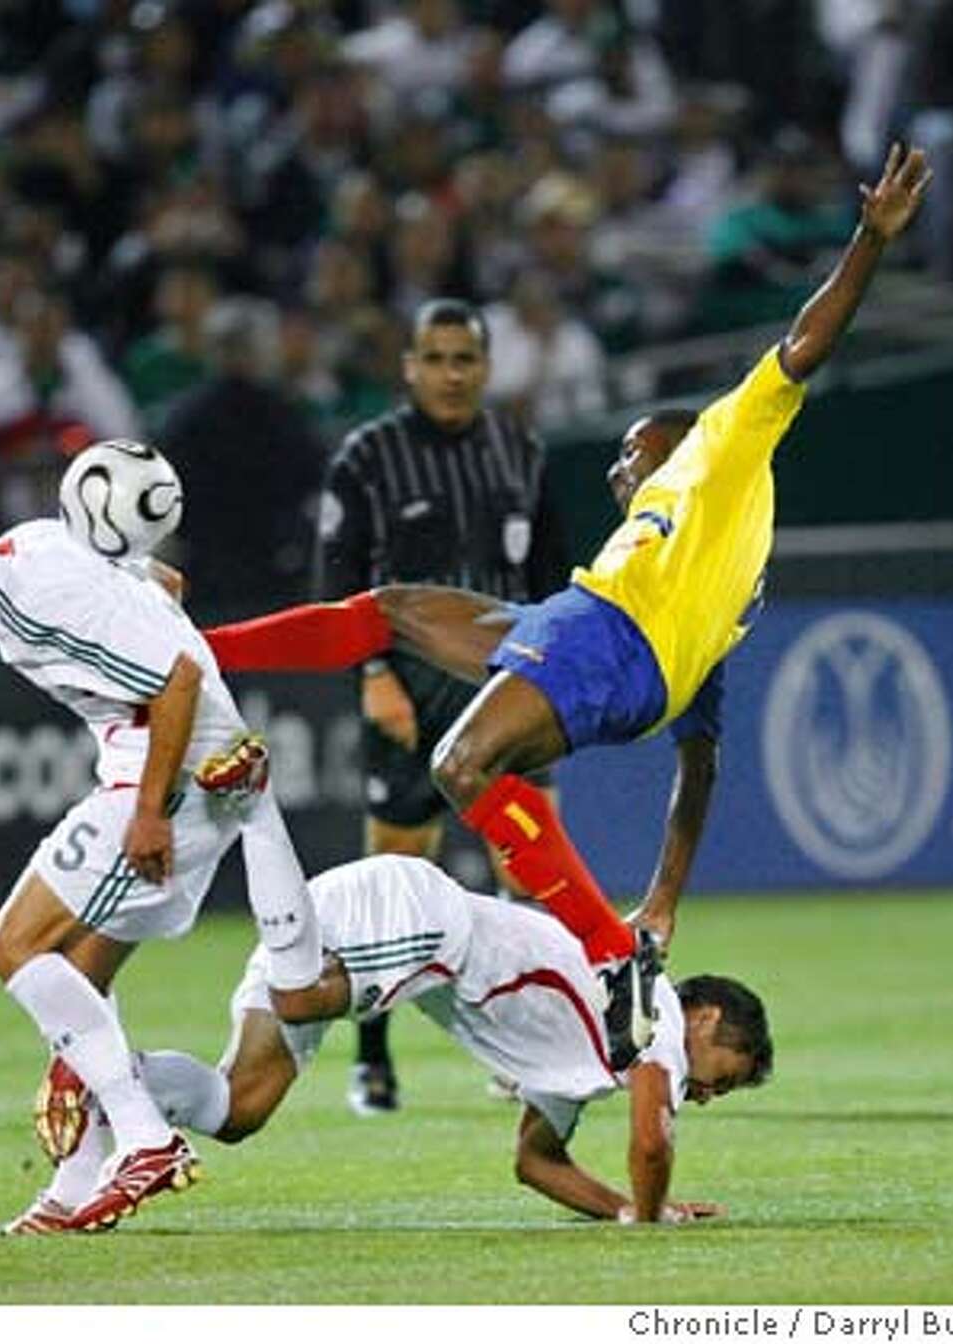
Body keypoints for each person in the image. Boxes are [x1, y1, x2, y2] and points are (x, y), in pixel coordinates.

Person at [197, 144, 933, 1066]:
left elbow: (805, 344)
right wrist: (666, 894)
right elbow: (698, 762)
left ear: (669, 444)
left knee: (459, 763)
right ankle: (200, 646)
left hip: (608, 640)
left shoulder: (721, 446)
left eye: (631, 450)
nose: (620, 466)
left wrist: (869, 238)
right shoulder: (699, 572)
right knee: (394, 608)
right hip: (617, 647)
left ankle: (605, 955)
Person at [0, 490, 324, 1233]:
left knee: (17, 946)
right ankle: (77, 1183)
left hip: (177, 779)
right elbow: (163, 585)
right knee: (75, 978)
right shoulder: (35, 543)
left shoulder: (27, 608)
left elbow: (177, 678)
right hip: (186, 766)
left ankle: (146, 1141)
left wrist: (146, 809)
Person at [31, 849, 772, 1231]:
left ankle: (112, 1074)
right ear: (706, 1020)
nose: (707, 1095)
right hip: (419, 917)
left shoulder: (583, 1056)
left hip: (379, 926)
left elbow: (535, 1162)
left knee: (239, 1107)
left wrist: (619, 1210)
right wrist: (652, 1216)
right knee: (295, 1000)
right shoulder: (658, 1007)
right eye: (724, 1077)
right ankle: (241, 827)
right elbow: (651, 1142)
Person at [314, 297, 568, 1114]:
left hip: (509, 692)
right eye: (437, 358)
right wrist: (370, 678)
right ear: (409, 367)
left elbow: (554, 581)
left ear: (487, 368)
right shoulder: (368, 458)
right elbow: (338, 586)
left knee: (529, 875)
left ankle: (528, 1051)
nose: (452, 374)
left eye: (467, 359)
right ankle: (373, 1058)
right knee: (398, 874)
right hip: (409, 694)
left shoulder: (520, 452)